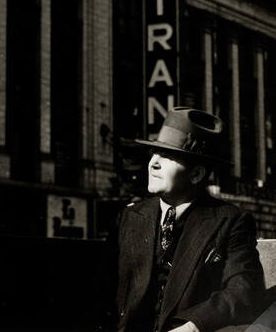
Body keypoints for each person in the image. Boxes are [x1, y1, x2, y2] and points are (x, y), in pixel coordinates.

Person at [113, 107, 265, 332]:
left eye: (168, 156)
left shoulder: (230, 220)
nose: (153, 163)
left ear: (196, 174)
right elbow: (101, 287)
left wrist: (194, 325)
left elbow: (244, 288)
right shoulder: (131, 217)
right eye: (154, 153)